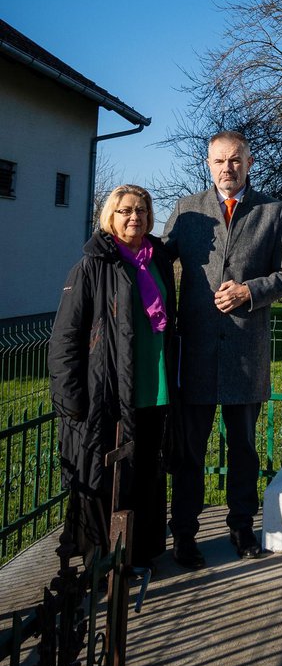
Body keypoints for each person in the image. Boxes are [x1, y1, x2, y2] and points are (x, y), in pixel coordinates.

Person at [162, 130, 282, 568]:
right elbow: (158, 261)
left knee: (243, 448)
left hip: (245, 351)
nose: (228, 168)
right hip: (197, 352)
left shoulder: (273, 212)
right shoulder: (187, 212)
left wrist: (249, 291)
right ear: (208, 164)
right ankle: (184, 533)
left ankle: (242, 527)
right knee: (190, 451)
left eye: (235, 160)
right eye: (220, 161)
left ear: (249, 162)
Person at [49, 185, 178, 570]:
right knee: (108, 478)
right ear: (111, 216)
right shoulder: (93, 265)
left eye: (141, 210)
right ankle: (105, 561)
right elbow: (66, 337)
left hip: (154, 390)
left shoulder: (159, 261)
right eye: (124, 211)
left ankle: (140, 553)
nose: (134, 217)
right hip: (107, 393)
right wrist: (69, 396)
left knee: (146, 477)